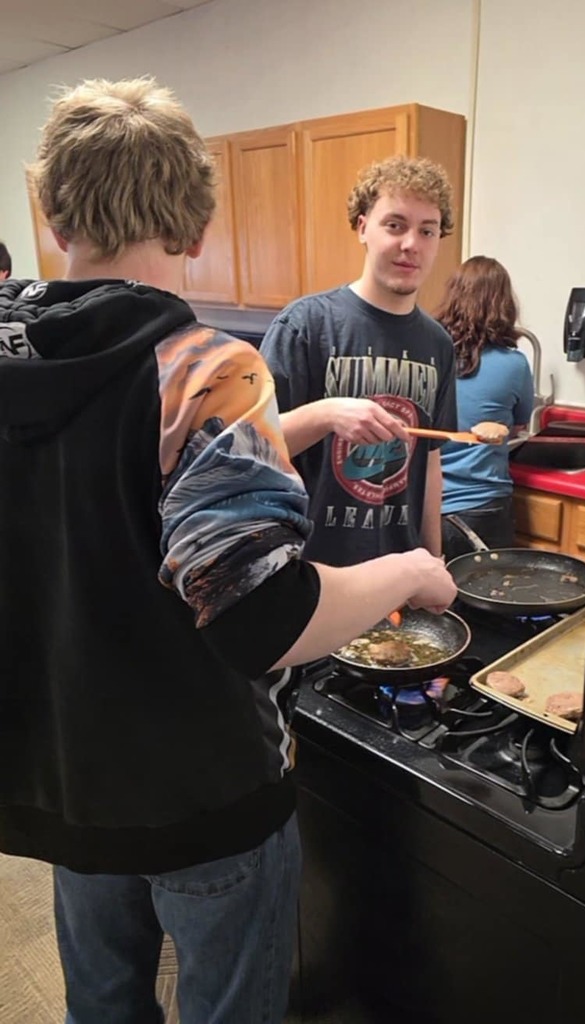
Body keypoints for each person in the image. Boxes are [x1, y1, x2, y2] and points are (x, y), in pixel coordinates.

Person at [0, 78, 456, 1024]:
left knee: (105, 1004)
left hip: (67, 785)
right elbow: (262, 618)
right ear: (200, 226)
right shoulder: (203, 370)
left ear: (47, 208)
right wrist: (411, 571)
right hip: (200, 789)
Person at [259, 155, 458, 566]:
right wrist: (327, 414)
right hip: (312, 572)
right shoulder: (305, 326)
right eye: (395, 225)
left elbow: (430, 465)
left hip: (398, 572)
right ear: (363, 227)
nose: (411, 244)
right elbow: (250, 449)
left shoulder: (438, 343)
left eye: (427, 231)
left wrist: (432, 558)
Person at [434, 256, 534, 562]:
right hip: (485, 507)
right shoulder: (514, 364)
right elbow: (517, 427)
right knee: (487, 600)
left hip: (427, 509)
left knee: (434, 605)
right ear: (505, 305)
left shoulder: (428, 358)